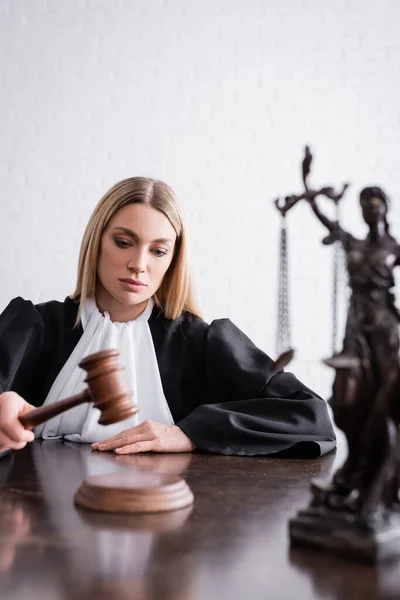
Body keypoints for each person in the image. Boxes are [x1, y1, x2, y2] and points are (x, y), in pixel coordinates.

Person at [0, 177, 335, 457]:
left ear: (173, 260)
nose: (138, 264)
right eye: (123, 242)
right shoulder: (34, 327)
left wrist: (191, 432)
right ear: (96, 242)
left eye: (158, 251)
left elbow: (311, 415)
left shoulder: (202, 343)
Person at [306, 186, 400, 512]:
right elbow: (324, 220)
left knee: (386, 394)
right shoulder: (353, 242)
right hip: (356, 326)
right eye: (365, 206)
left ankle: (375, 476)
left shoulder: (394, 247)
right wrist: (308, 189)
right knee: (348, 399)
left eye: (376, 205)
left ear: (385, 209)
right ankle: (355, 470)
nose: (370, 211)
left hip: (386, 327)